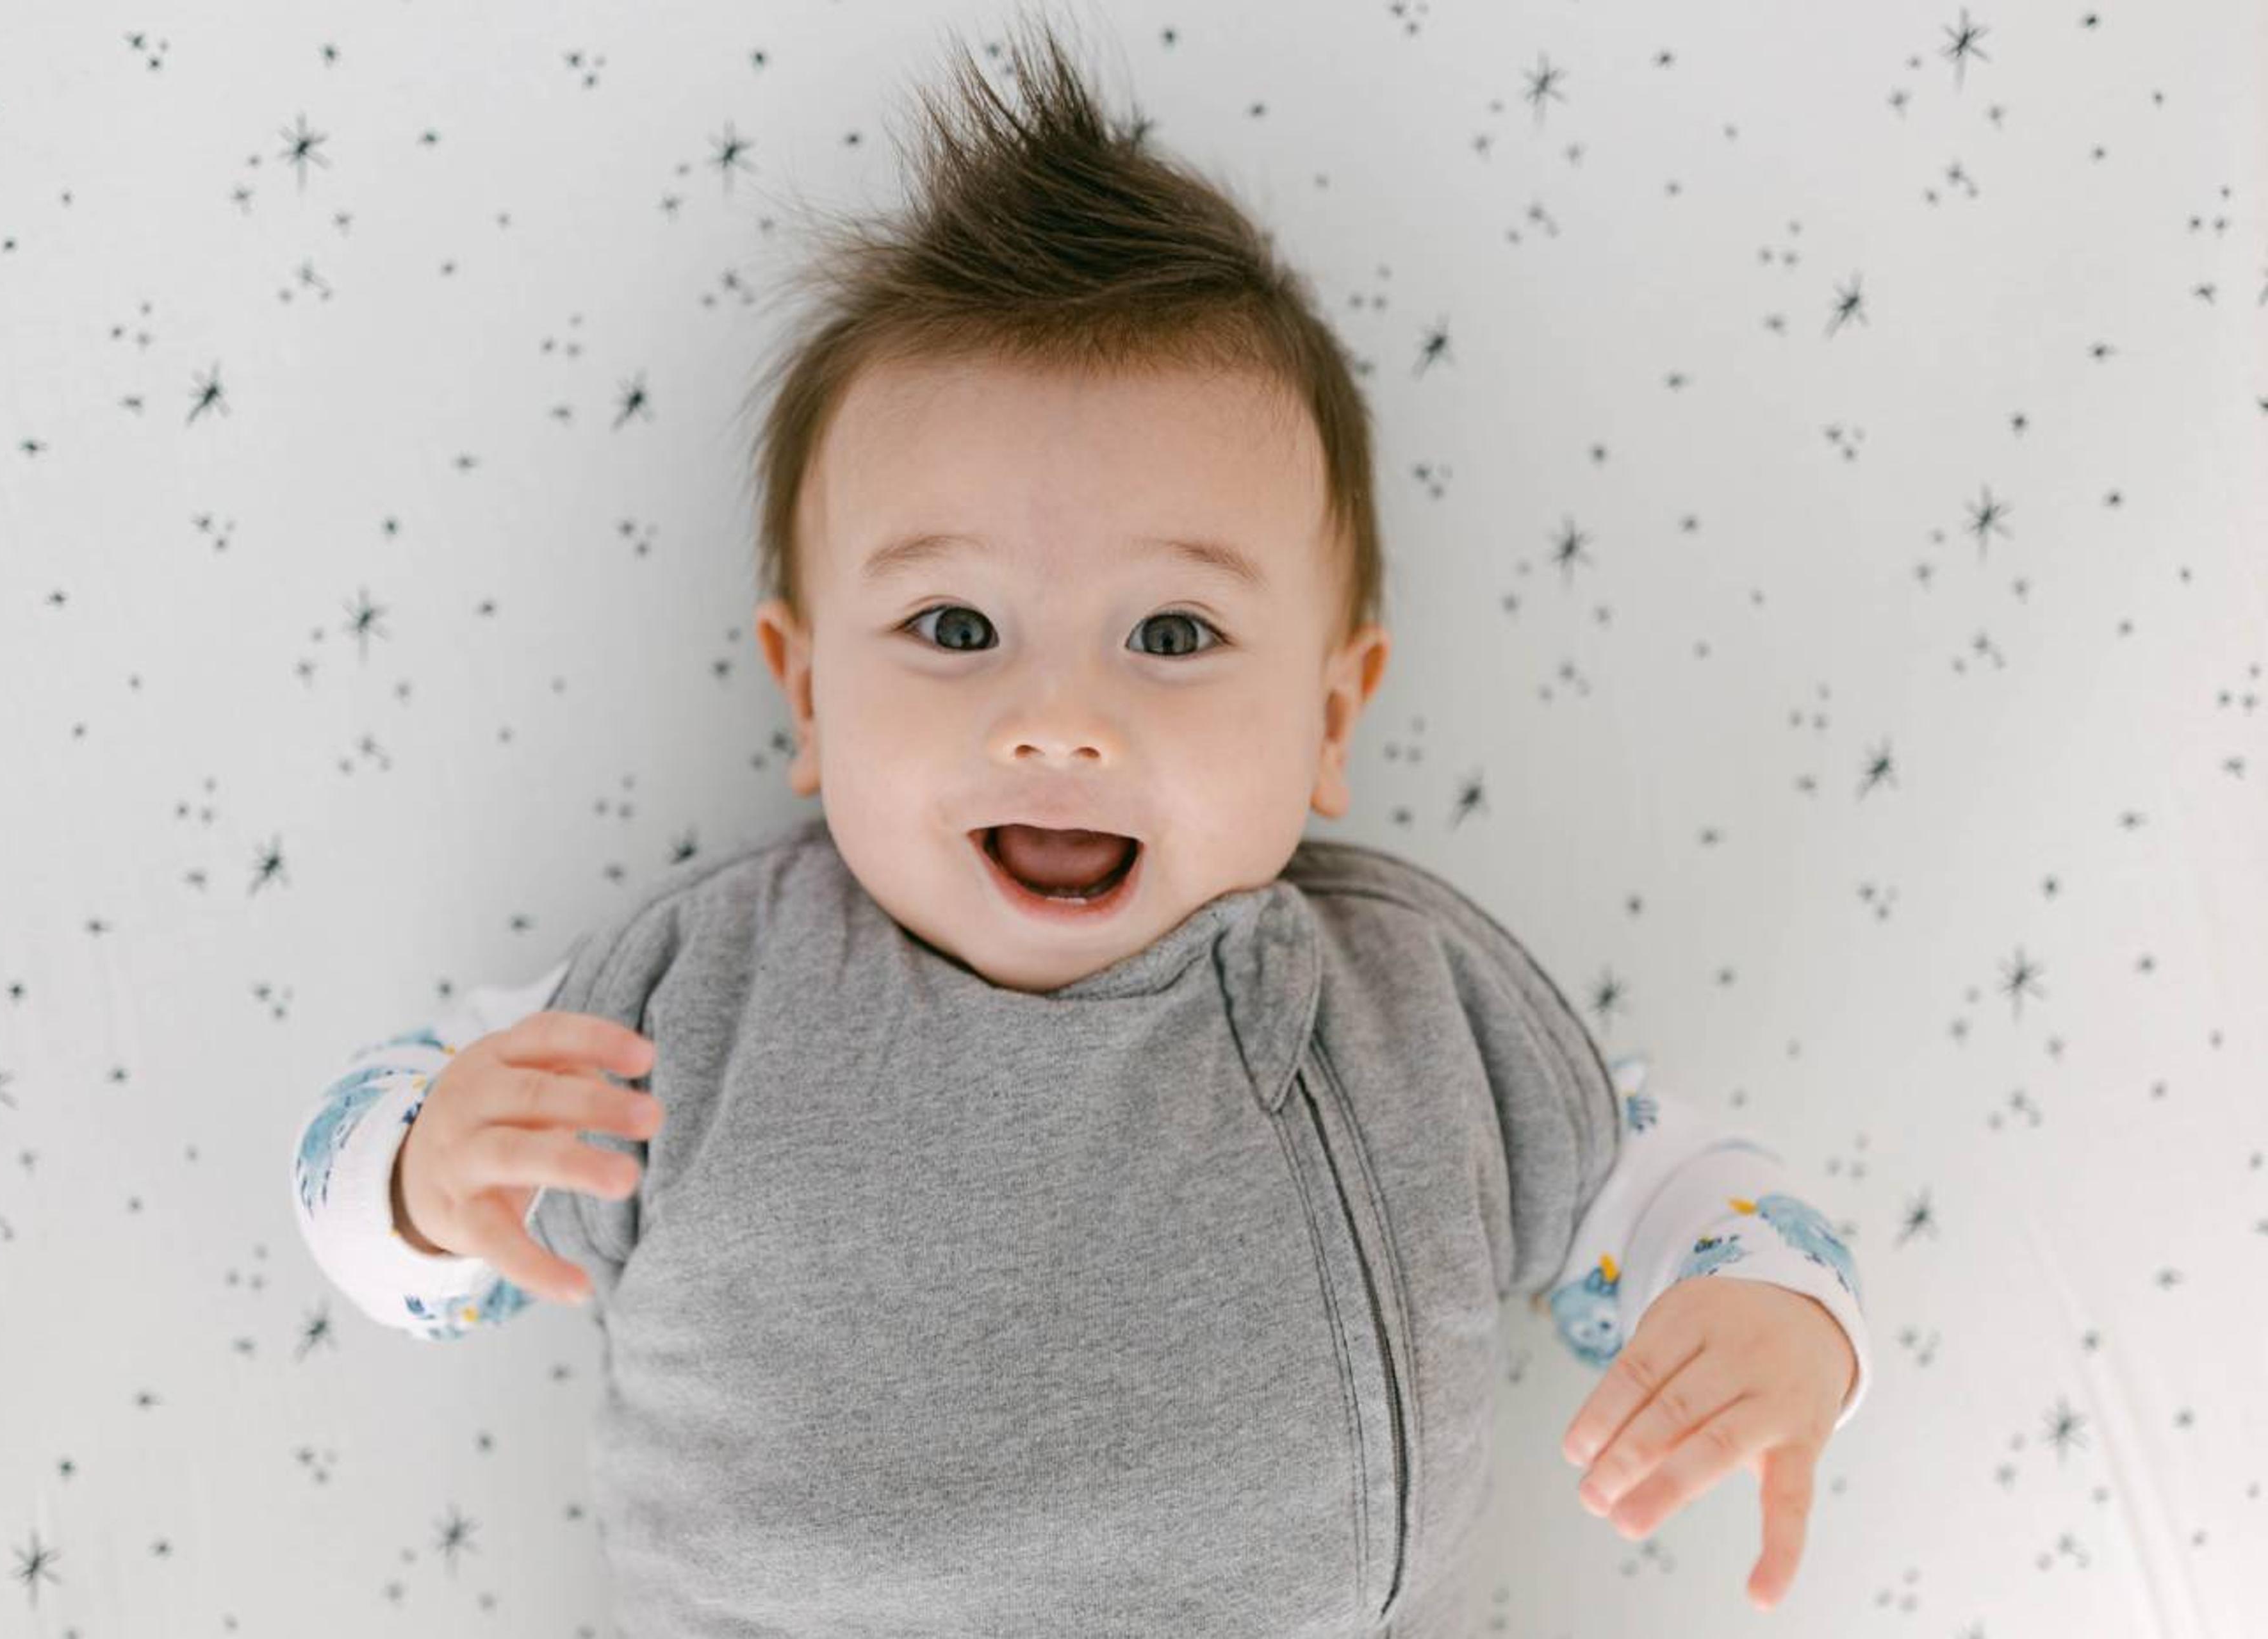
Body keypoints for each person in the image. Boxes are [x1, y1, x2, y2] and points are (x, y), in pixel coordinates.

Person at [288, 11, 1869, 1633]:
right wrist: (419, 1174)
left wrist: (1773, 1306)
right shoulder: (696, 1001)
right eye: (956, 630)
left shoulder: (1409, 1018)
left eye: (1172, 636)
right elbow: (382, 1182)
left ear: (1330, 716)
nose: (1057, 719)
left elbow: (1666, 1186)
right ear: (808, 692)